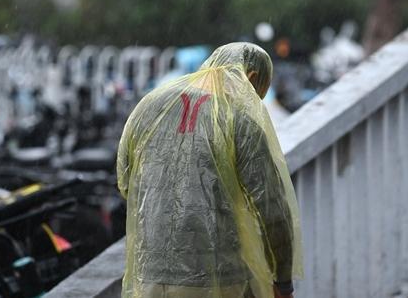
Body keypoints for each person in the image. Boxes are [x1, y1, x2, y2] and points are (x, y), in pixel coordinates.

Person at [117, 43, 303, 298]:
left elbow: (126, 181)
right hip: (219, 280)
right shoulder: (240, 121)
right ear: (251, 78)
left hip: (148, 276)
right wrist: (283, 282)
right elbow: (272, 211)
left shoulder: (149, 106)